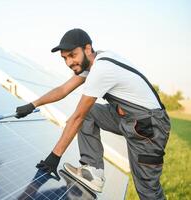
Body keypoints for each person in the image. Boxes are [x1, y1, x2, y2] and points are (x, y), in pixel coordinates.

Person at [15, 28, 170, 200]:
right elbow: (63, 89)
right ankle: (93, 171)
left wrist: (54, 157)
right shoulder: (95, 62)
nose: (68, 62)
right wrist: (32, 104)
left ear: (87, 49)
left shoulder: (102, 69)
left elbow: (77, 117)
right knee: (91, 113)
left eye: (72, 55)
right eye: (64, 58)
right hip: (130, 119)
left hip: (149, 127)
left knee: (148, 190)